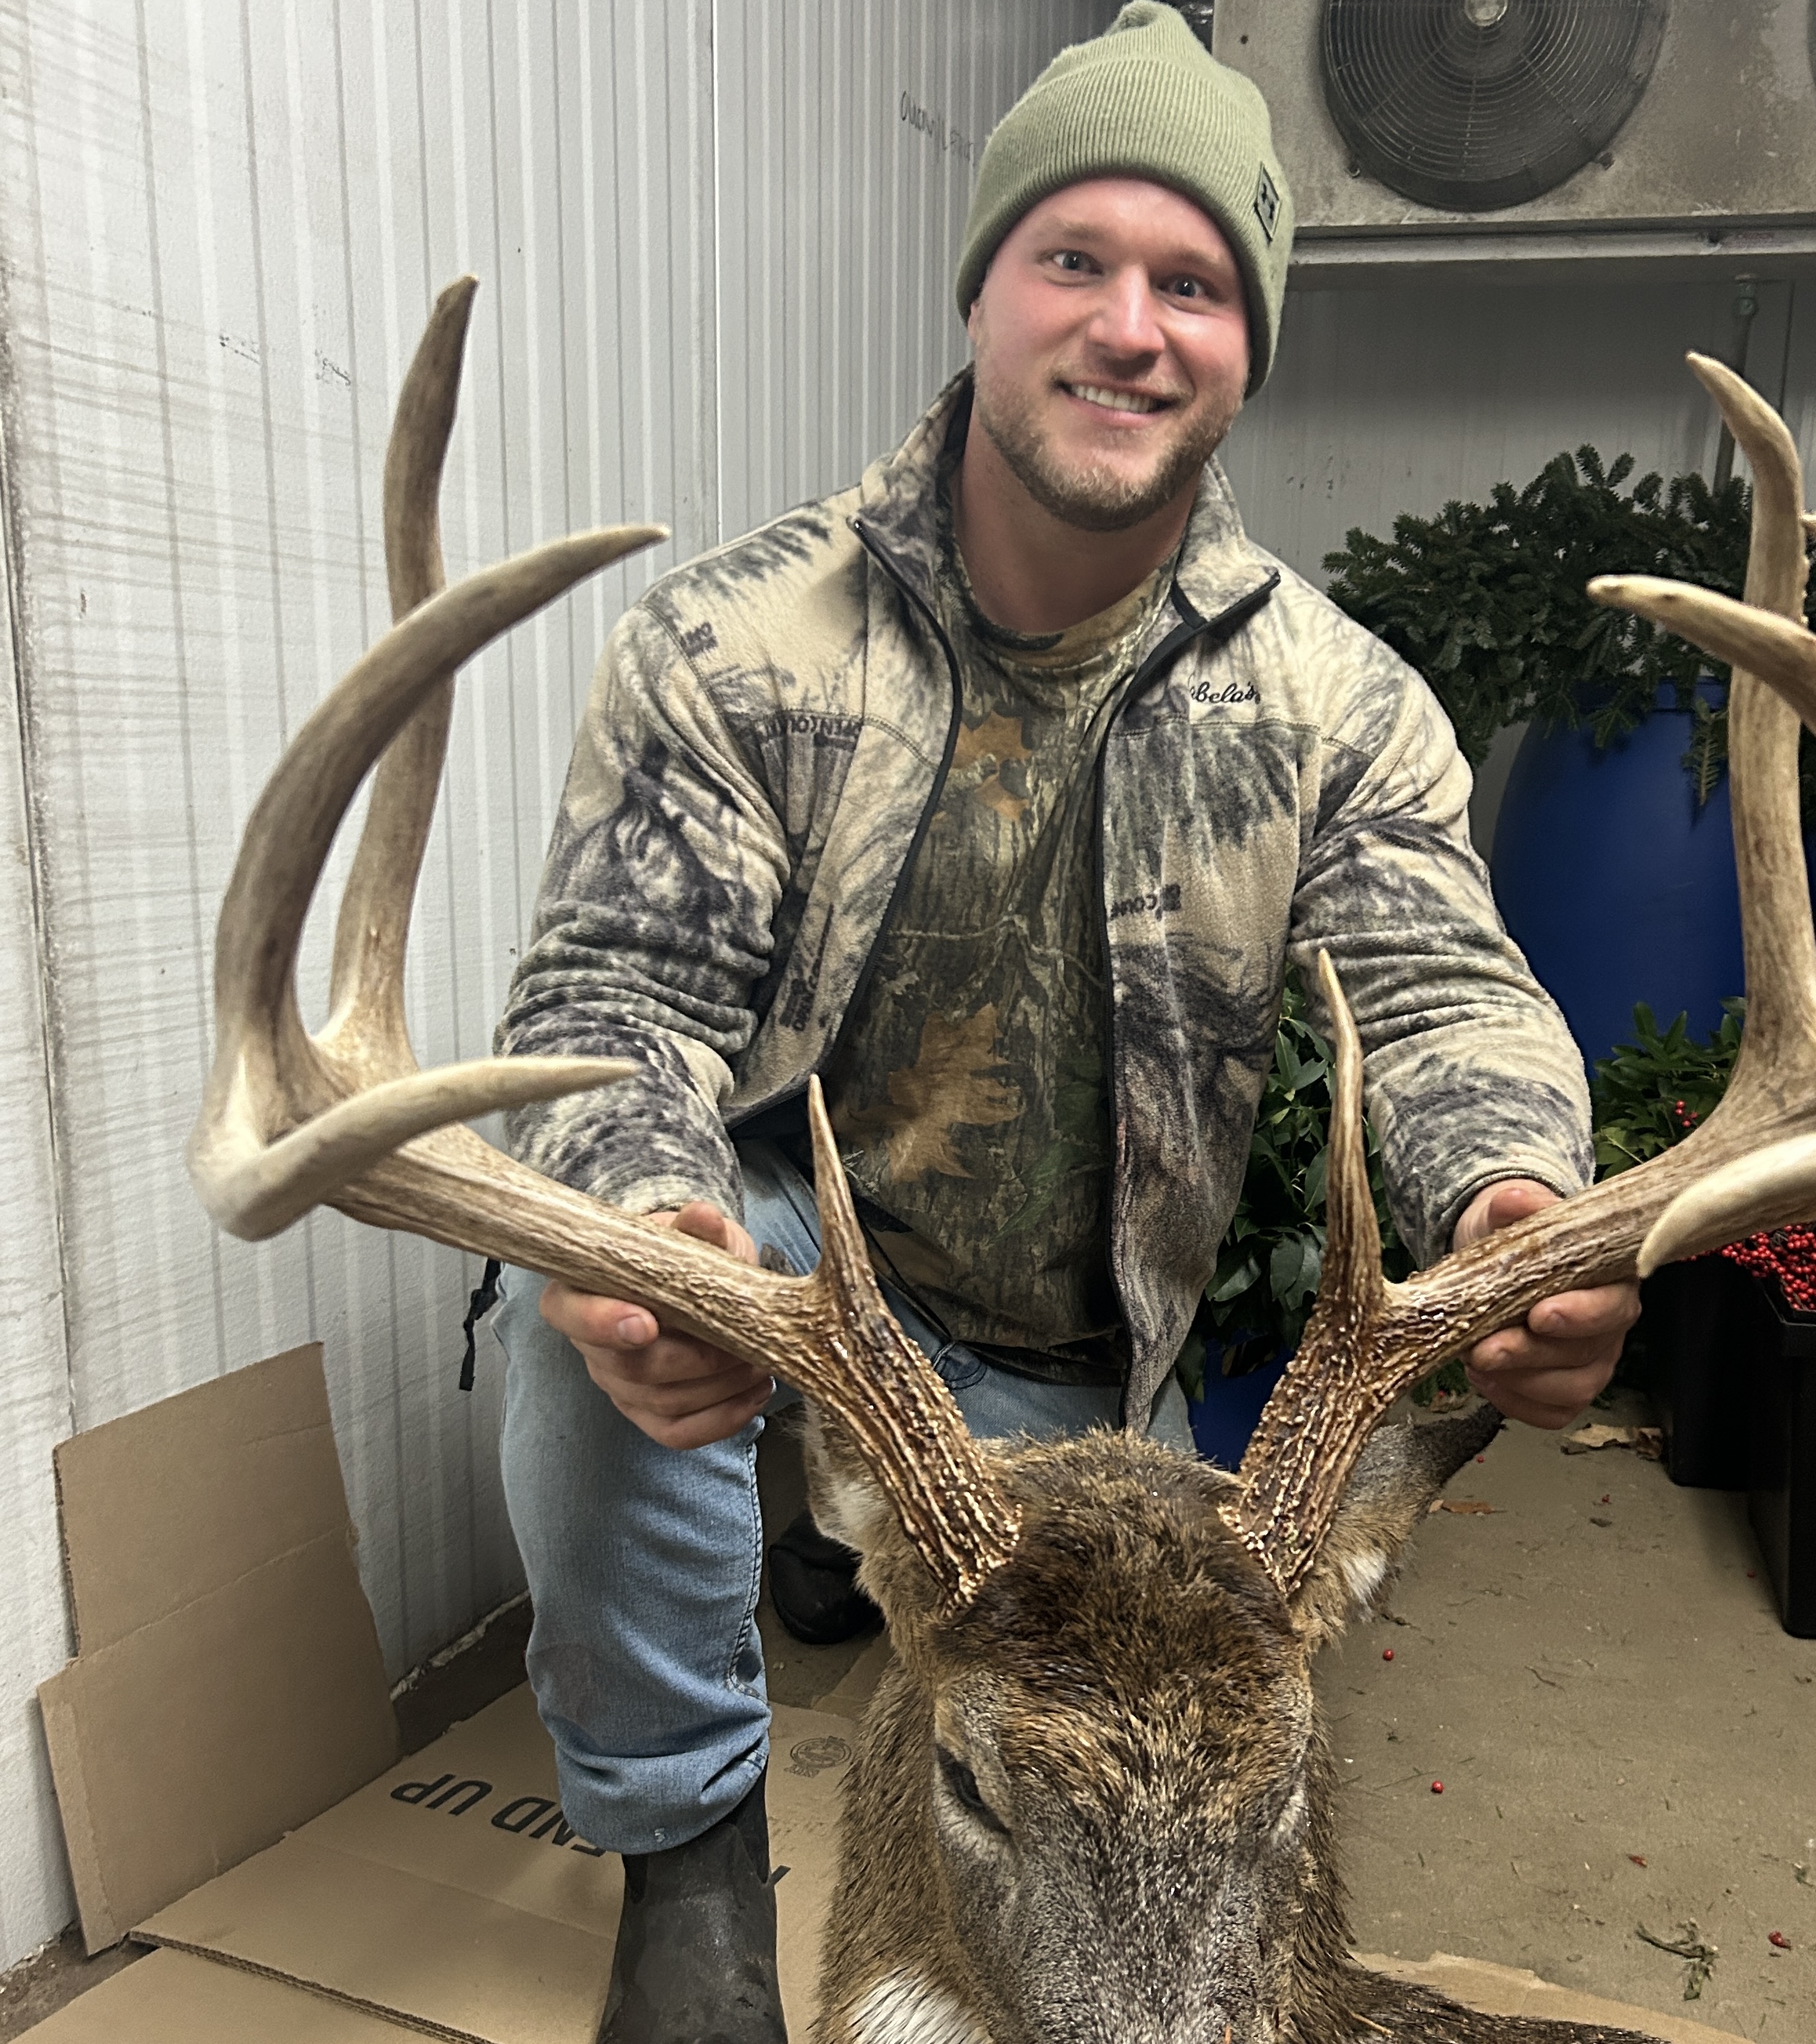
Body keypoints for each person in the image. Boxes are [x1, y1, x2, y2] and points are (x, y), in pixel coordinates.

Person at [492, 7, 1636, 2039]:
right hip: (800, 1301)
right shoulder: (736, 642)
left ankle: (845, 1557)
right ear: (984, 290)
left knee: (1132, 1717)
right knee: (581, 1305)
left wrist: (1512, 1197)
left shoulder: (1335, 701)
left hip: (1078, 1374)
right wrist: (650, 1225)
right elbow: (613, 1002)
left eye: (1193, 282)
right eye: (1075, 259)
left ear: (1247, 346)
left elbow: (1440, 991)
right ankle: (688, 1872)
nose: (1129, 326)